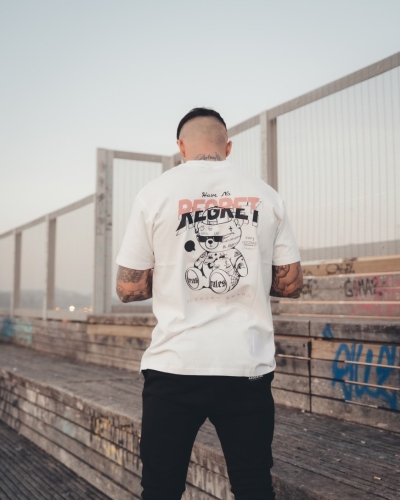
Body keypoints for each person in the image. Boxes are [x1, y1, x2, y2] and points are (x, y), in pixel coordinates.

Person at [115, 107, 303, 500]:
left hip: (175, 365)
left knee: (160, 488)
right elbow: (290, 286)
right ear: (227, 147)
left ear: (181, 147)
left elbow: (128, 289)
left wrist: (172, 278)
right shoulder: (267, 195)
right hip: (246, 365)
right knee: (253, 485)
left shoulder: (154, 194)